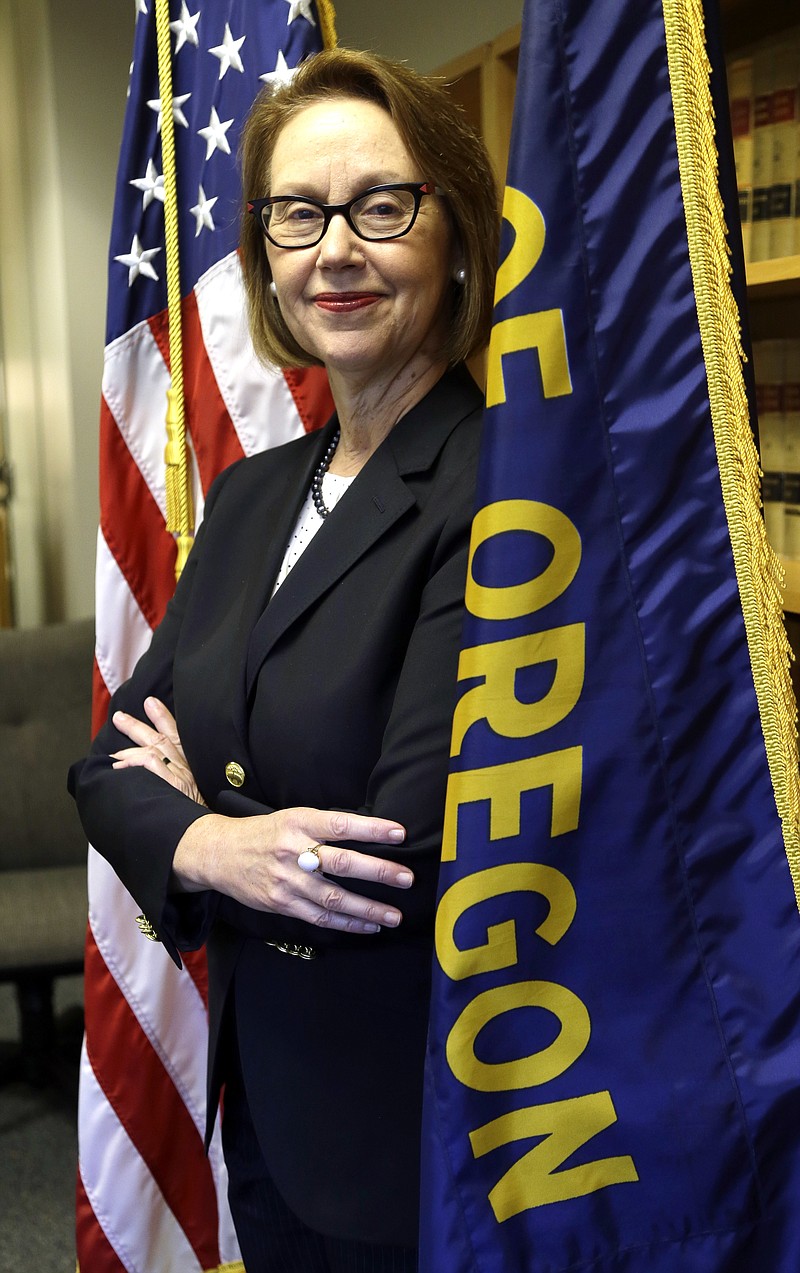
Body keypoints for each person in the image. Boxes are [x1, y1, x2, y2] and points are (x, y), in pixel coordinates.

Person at [70, 47, 500, 1273]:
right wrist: (214, 842)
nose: (334, 252)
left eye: (381, 205)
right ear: (262, 252)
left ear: (456, 236)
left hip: (413, 1128)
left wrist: (202, 802)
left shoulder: (501, 491)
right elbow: (107, 763)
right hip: (263, 1101)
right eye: (297, 215)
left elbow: (396, 851)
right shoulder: (257, 494)